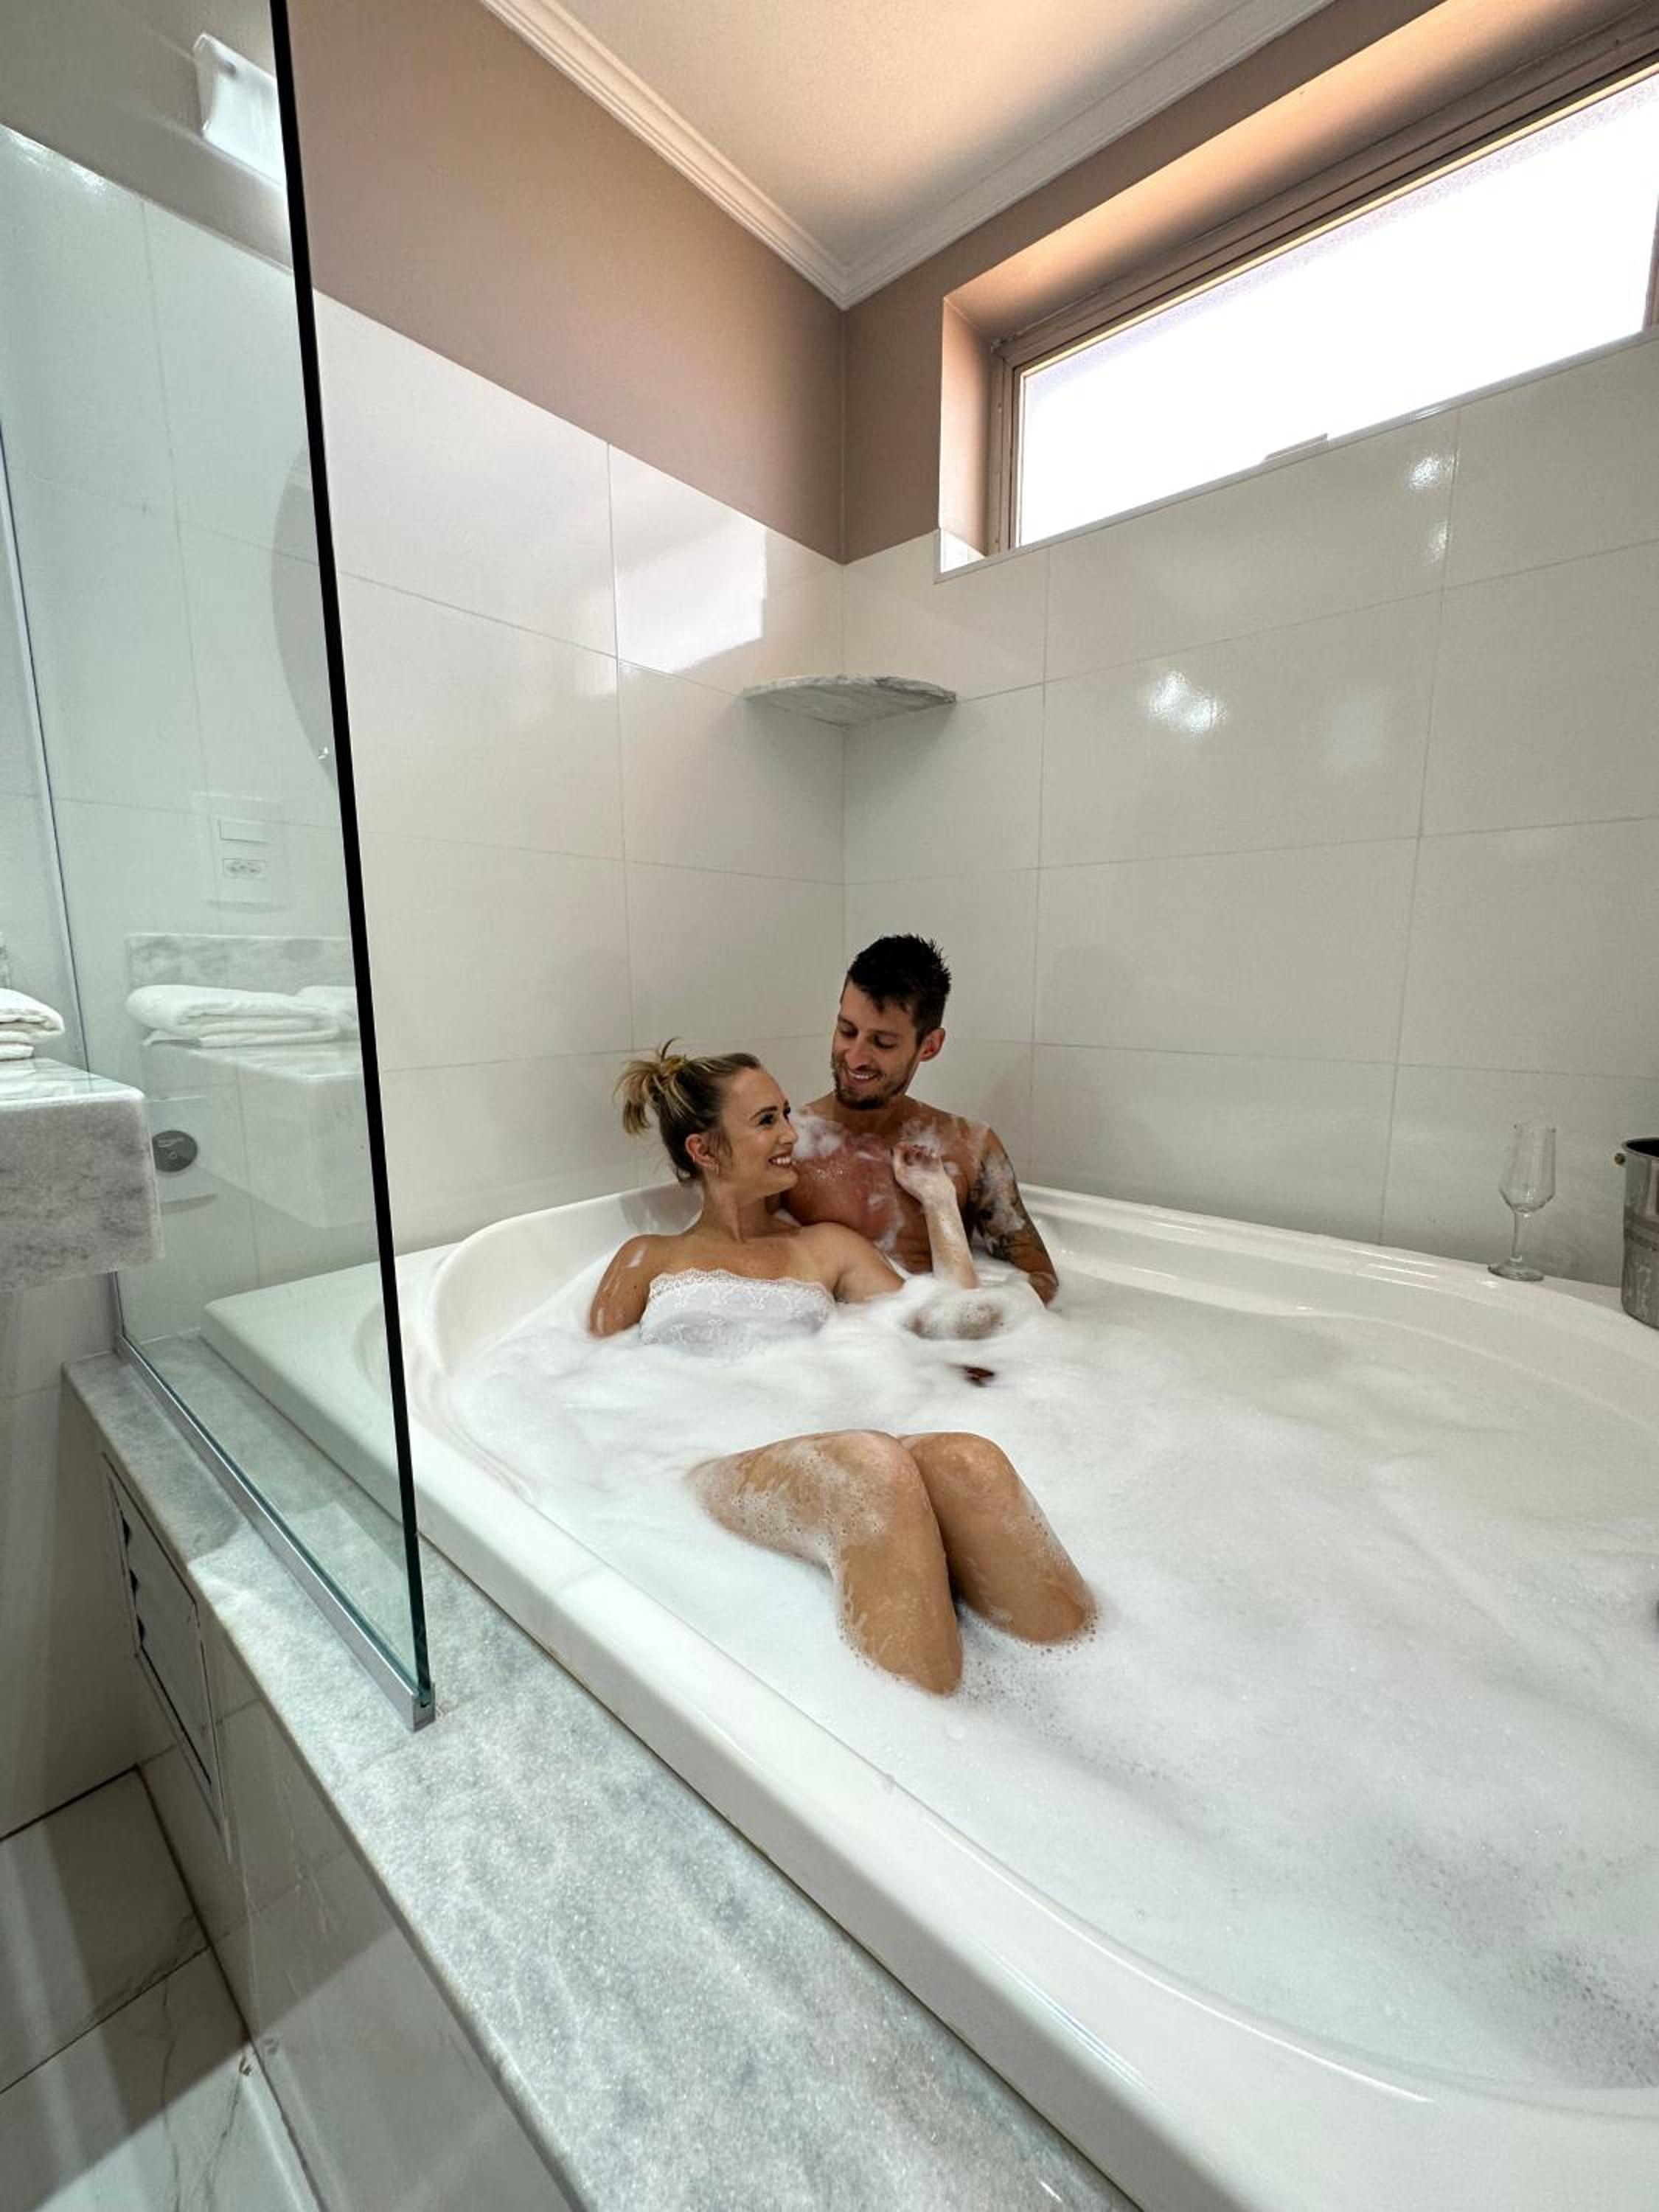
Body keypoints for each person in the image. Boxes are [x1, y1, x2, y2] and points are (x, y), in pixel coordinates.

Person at [589, 1045, 1093, 1694]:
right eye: (766, 1121)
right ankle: (918, 1734)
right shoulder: (647, 1258)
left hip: (825, 1435)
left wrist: (940, 1202)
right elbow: (588, 1386)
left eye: (785, 1114)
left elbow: (948, 1321)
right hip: (700, 1459)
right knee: (866, 1467)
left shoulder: (824, 1248)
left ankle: (1094, 1694)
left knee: (974, 1462)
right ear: (705, 1151)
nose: (791, 1135)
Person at [785, 935, 1060, 1304]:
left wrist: (982, 1319)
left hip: (937, 1332)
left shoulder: (970, 1149)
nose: (855, 1057)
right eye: (846, 1030)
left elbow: (1039, 1277)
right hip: (838, 1336)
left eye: (882, 1043)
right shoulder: (788, 1144)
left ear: (930, 1046)